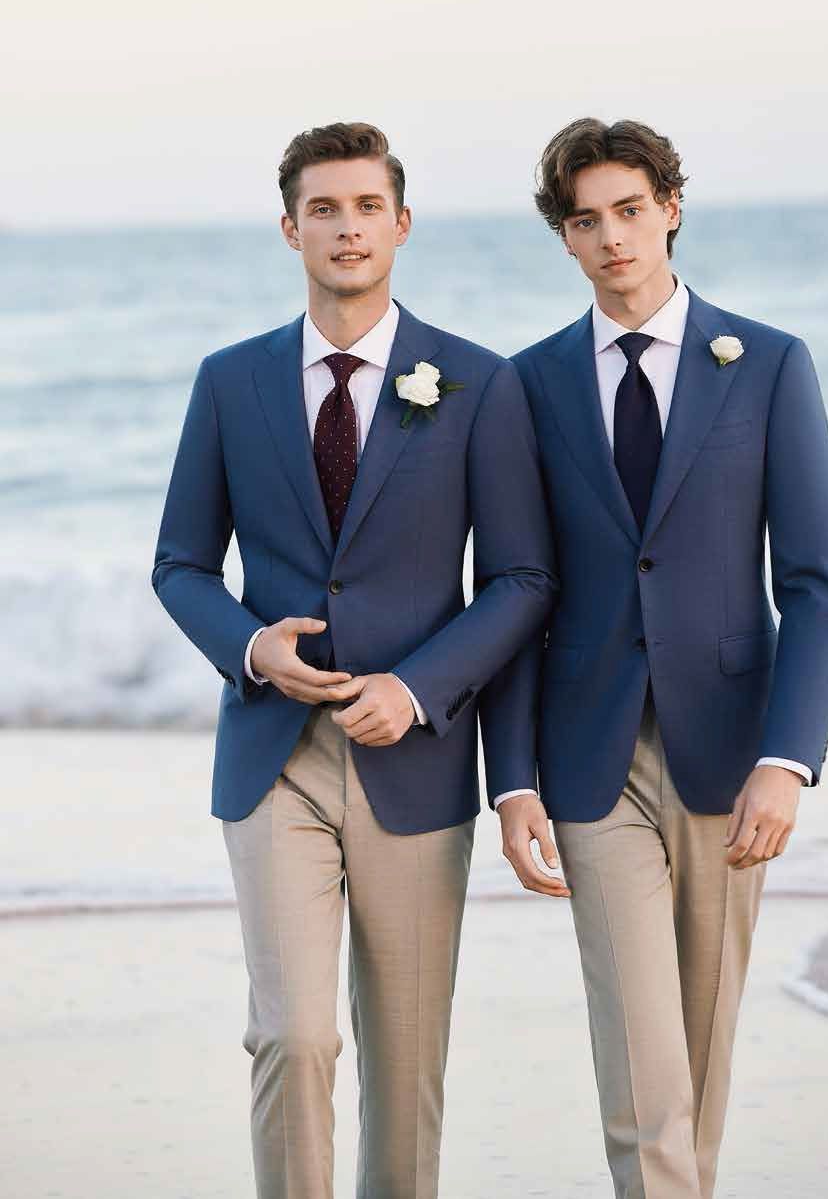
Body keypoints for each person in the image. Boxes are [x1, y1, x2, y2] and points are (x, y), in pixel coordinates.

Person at [151, 121, 556, 1199]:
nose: (346, 226)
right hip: (273, 759)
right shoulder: (230, 381)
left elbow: (521, 577)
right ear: (291, 228)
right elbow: (181, 562)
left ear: (402, 224)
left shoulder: (477, 381)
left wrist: (418, 687)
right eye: (323, 207)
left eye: (366, 206)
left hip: (417, 769)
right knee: (295, 1037)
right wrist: (251, 648)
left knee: (407, 1064)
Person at [489, 117, 828, 1199]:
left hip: (731, 752)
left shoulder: (770, 364)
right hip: (590, 757)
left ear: (672, 209)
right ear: (564, 237)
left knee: (700, 1042)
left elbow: (817, 582)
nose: (613, 239)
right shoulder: (530, 383)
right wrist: (511, 778)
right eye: (587, 220)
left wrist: (788, 758)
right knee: (645, 1056)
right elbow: (514, 592)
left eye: (631, 212)